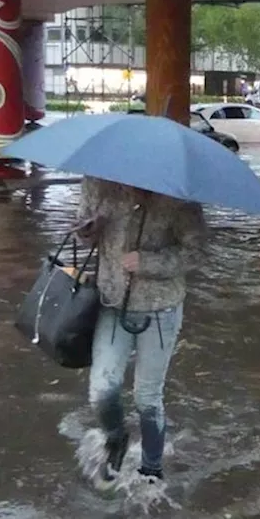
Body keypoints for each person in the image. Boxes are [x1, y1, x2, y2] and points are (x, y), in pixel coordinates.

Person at [73, 176, 208, 489]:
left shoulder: (178, 196)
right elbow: (82, 230)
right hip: (110, 301)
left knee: (147, 398)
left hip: (160, 308)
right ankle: (116, 438)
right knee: (102, 390)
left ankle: (151, 469)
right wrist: (86, 231)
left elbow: (196, 251)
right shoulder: (97, 183)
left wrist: (147, 261)